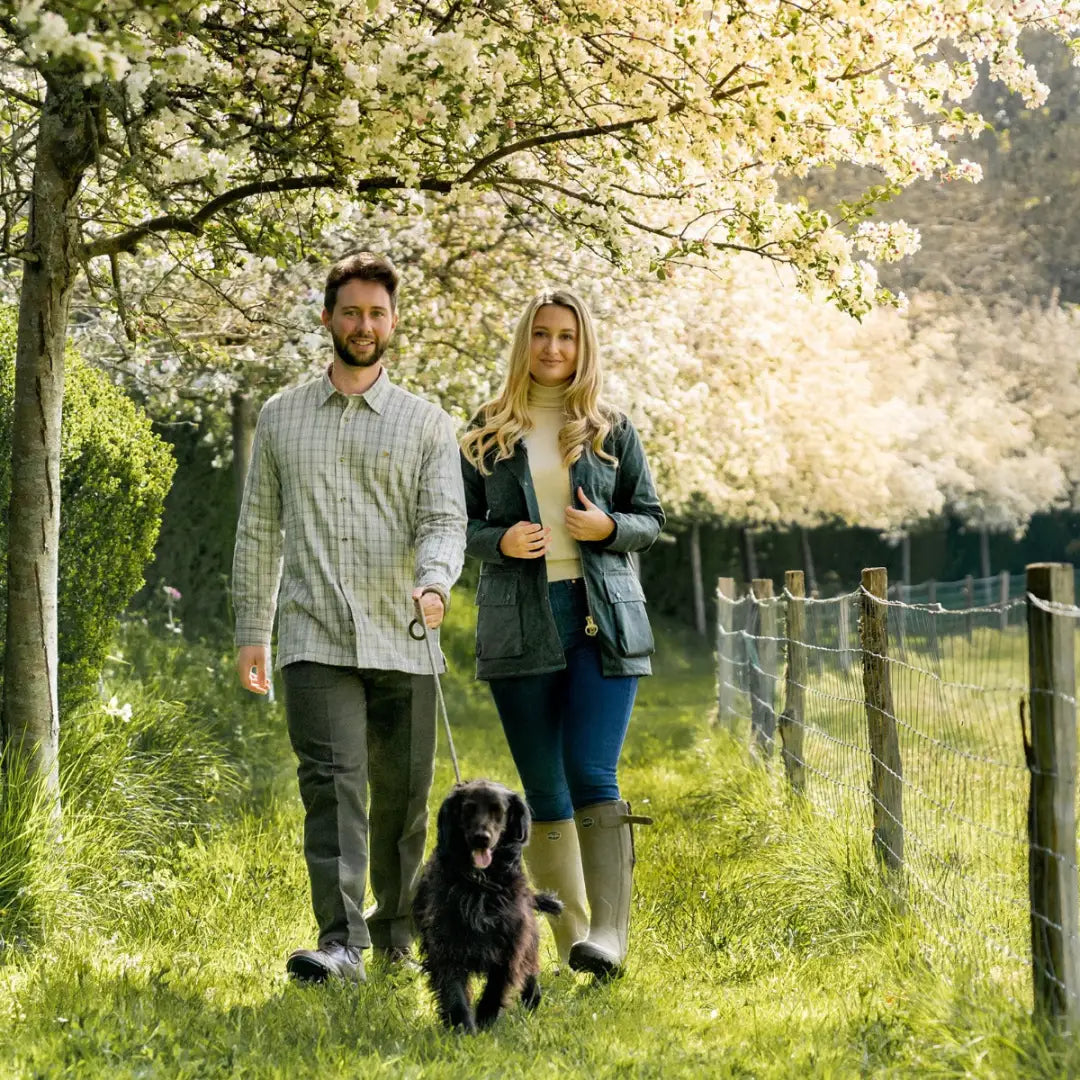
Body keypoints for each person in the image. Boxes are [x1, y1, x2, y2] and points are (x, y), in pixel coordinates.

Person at [233, 252, 466, 984]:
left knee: (403, 799)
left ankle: (396, 931)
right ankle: (340, 944)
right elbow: (259, 529)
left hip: (405, 634)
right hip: (314, 633)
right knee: (332, 790)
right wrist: (252, 630)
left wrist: (435, 582)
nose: (363, 325)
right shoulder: (281, 417)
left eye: (376, 314)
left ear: (393, 323)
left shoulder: (427, 423)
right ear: (327, 318)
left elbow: (443, 521)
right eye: (351, 312)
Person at [459, 289, 664, 980]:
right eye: (542, 335)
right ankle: (575, 940)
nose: (553, 348)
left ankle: (609, 934)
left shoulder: (612, 429)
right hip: (520, 624)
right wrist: (500, 540)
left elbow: (650, 517)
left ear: (584, 346)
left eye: (567, 336)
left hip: (600, 619)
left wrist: (608, 528)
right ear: (525, 342)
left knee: (591, 772)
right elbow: (456, 525)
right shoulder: (486, 432)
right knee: (544, 789)